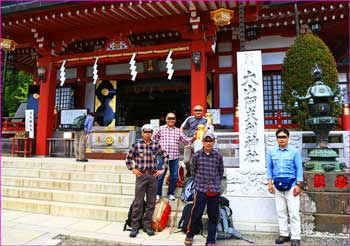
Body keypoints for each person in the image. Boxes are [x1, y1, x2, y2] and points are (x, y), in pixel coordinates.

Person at [125, 124, 169, 238]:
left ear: (152, 133)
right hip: (141, 176)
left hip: (153, 177)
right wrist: (133, 169)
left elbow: (165, 156)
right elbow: (128, 158)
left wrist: (162, 169)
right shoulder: (137, 144)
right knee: (138, 202)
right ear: (142, 133)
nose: (148, 134)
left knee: (151, 203)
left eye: (150, 132)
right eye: (146, 132)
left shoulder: (156, 144)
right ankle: (135, 226)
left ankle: (147, 225)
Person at [184, 132, 224, 246]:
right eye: (206, 141)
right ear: (202, 142)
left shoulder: (218, 156)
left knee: (214, 215)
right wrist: (198, 182)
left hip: (214, 189)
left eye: (210, 141)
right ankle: (190, 235)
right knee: (196, 213)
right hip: (201, 189)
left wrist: (216, 183)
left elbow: (221, 171)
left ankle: (211, 240)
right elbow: (193, 171)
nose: (208, 143)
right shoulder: (196, 155)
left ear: (213, 142)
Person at [267, 128, 303, 246]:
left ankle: (296, 237)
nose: (281, 139)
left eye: (283, 137)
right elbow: (270, 169)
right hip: (277, 186)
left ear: (288, 138)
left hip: (292, 186)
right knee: (281, 211)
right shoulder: (272, 152)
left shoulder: (294, 152)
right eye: (279, 137)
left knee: (293, 213)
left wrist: (298, 184)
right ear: (276, 138)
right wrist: (270, 183)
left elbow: (299, 169)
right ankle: (284, 234)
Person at [151, 112, 195, 201]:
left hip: (174, 157)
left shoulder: (178, 130)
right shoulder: (160, 129)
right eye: (169, 118)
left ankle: (170, 193)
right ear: (166, 119)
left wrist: (193, 138)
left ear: (175, 120)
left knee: (174, 176)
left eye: (173, 118)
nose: (171, 120)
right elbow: (152, 139)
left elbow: (186, 141)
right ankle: (158, 194)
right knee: (160, 176)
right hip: (162, 157)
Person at [180, 105, 208, 176]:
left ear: (202, 111)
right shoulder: (189, 118)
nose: (198, 112)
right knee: (186, 161)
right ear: (193, 111)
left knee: (197, 161)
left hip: (200, 142)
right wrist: (184, 138)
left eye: (199, 110)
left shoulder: (206, 120)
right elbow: (181, 128)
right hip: (189, 142)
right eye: (196, 110)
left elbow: (207, 129)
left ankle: (197, 174)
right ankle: (189, 170)